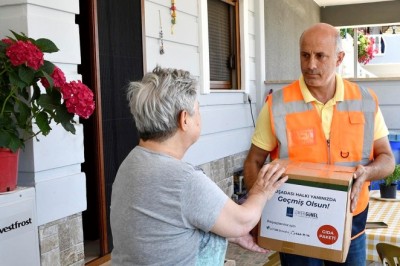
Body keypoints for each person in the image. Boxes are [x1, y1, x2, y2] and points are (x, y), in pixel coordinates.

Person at [244, 23, 395, 266]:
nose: (310, 64)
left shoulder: (365, 101)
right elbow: (253, 160)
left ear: (339, 58)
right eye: (305, 55)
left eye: (320, 56)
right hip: (294, 227)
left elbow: (387, 158)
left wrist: (367, 172)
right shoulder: (277, 104)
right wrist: (256, 210)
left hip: (351, 226)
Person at [110, 66, 288, 265]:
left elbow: (162, 225)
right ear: (184, 119)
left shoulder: (132, 161)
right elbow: (242, 221)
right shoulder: (182, 179)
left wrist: (229, 234)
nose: (200, 116)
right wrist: (262, 191)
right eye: (198, 110)